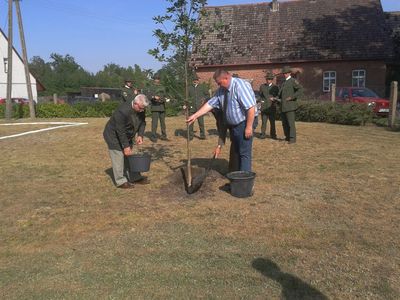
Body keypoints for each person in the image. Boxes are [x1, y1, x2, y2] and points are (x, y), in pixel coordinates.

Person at [187, 69, 257, 172]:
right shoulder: (221, 90)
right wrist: (195, 115)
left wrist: (248, 127)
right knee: (236, 152)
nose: (219, 85)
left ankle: (244, 184)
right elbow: (210, 104)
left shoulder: (240, 86)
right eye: (217, 83)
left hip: (245, 122)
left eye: (220, 83)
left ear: (227, 77)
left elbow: (251, 108)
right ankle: (235, 179)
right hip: (235, 125)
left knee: (244, 153)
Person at [103, 94, 150, 188]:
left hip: (127, 134)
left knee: (129, 156)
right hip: (113, 135)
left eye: (144, 108)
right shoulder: (122, 111)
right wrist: (126, 146)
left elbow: (142, 122)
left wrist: (140, 135)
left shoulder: (141, 109)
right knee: (118, 156)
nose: (142, 110)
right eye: (141, 108)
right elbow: (120, 131)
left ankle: (135, 177)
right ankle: (120, 181)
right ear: (136, 104)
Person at [278, 66, 303, 144]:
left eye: (286, 73)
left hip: (290, 106)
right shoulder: (284, 82)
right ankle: (287, 137)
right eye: (284, 73)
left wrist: (292, 97)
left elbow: (300, 89)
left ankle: (292, 139)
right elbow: (280, 95)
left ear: (289, 73)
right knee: (284, 123)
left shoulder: (292, 81)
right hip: (283, 106)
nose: (285, 74)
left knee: (290, 123)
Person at [188, 75, 209, 140]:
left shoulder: (202, 87)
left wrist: (204, 99)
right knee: (190, 122)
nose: (195, 81)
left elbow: (207, 95)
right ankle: (190, 136)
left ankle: (202, 135)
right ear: (192, 80)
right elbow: (187, 97)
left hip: (200, 108)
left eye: (196, 80)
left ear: (198, 80)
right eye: (194, 80)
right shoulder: (189, 88)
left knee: (201, 123)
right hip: (192, 108)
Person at [259, 72, 279, 139]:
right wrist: (260, 100)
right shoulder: (262, 86)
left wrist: (275, 99)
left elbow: (278, 96)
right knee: (264, 122)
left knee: (272, 123)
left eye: (270, 79)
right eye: (267, 79)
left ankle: (273, 135)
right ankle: (262, 134)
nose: (268, 80)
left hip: (271, 107)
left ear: (272, 79)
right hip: (264, 107)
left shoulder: (275, 87)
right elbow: (260, 95)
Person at [149, 75, 168, 142]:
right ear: (154, 79)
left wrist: (166, 99)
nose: (157, 80)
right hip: (155, 107)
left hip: (162, 107)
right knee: (154, 123)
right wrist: (154, 97)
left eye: (158, 79)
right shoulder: (151, 87)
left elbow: (165, 95)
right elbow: (149, 96)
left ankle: (164, 136)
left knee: (163, 123)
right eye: (155, 79)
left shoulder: (162, 87)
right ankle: (153, 137)